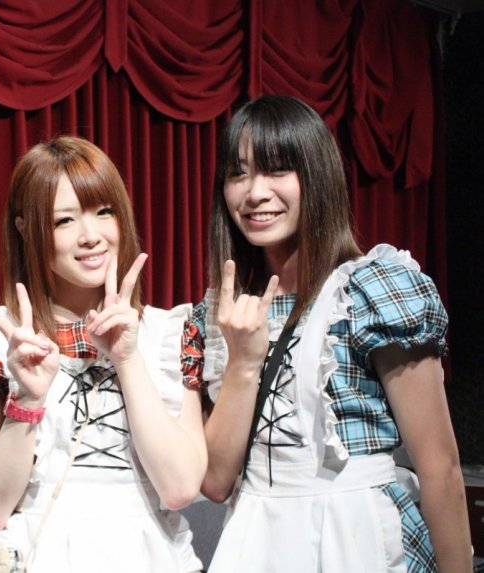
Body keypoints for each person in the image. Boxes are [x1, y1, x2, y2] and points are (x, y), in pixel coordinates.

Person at [192, 95, 471, 572]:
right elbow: (216, 482)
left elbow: (440, 468)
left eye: (277, 169)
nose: (254, 192)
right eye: (238, 173)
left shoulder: (371, 288)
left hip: (358, 533)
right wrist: (242, 361)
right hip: (256, 537)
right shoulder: (220, 314)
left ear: (316, 175)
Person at [0, 136, 207, 572]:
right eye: (64, 220)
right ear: (26, 228)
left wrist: (127, 359)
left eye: (104, 212)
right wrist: (28, 400)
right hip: (38, 554)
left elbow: (180, 488)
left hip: (147, 556)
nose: (91, 236)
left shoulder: (168, 332)